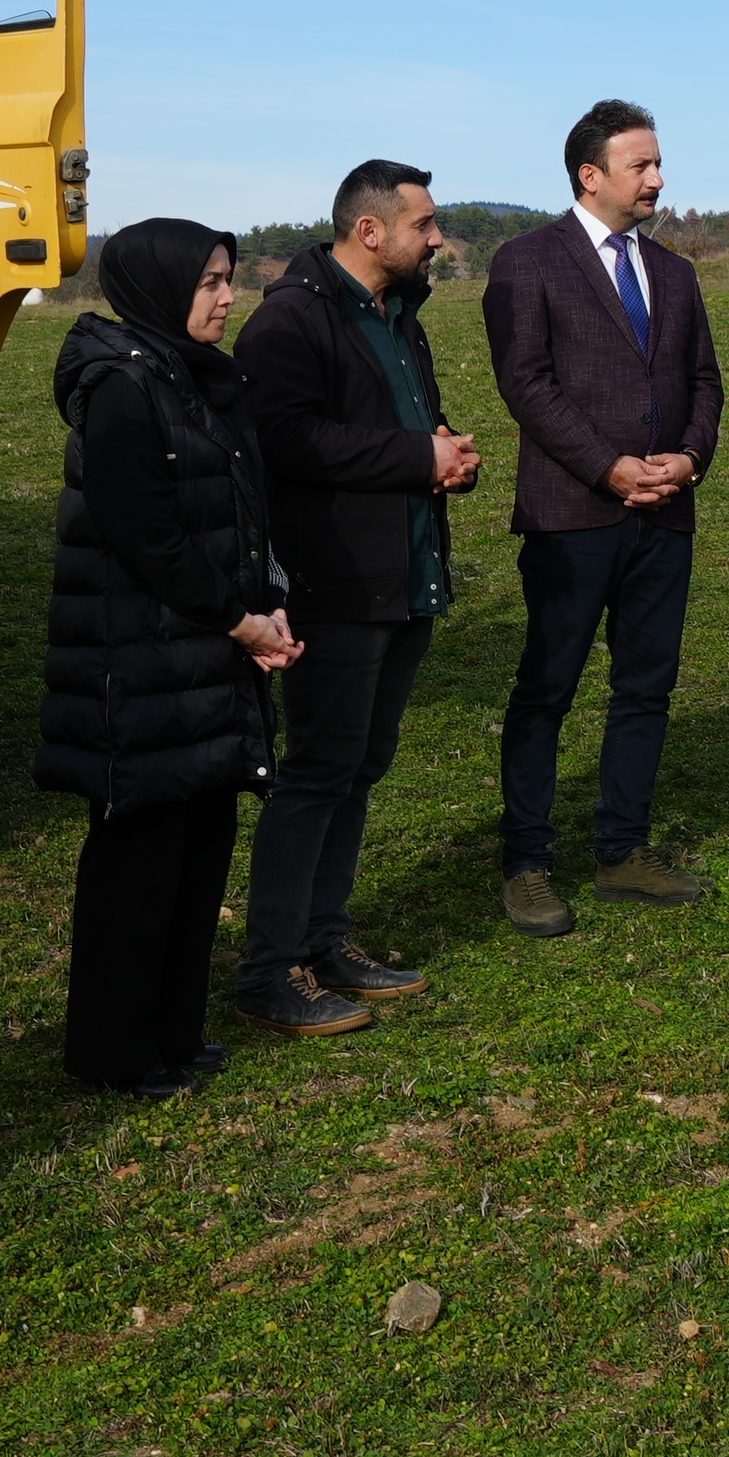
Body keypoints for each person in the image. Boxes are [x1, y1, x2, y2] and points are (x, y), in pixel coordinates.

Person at [40, 220, 299, 1095]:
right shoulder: (123, 388)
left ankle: (176, 1036)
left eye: (229, 279)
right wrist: (238, 619)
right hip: (141, 664)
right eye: (211, 283)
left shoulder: (199, 380)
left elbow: (241, 512)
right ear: (160, 290)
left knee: (198, 852)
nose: (229, 297)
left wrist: (266, 601)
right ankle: (116, 1054)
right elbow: (145, 533)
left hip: (208, 656)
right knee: (137, 870)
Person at [234, 160, 480, 1037]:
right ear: (370, 231)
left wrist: (444, 450)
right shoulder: (290, 321)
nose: (438, 238)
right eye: (426, 224)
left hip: (403, 578)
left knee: (360, 767)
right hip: (336, 586)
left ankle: (324, 940)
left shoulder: (397, 317)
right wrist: (419, 459)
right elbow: (283, 439)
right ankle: (271, 968)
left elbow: (391, 428)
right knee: (317, 774)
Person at [482, 99, 724, 937]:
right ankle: (527, 863)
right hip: (571, 515)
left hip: (664, 516)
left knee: (645, 688)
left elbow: (705, 385)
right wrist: (607, 467)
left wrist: (688, 459)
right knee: (547, 689)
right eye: (642, 165)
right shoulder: (527, 261)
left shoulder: (679, 275)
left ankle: (623, 851)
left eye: (658, 163)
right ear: (591, 175)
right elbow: (526, 383)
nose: (658, 179)